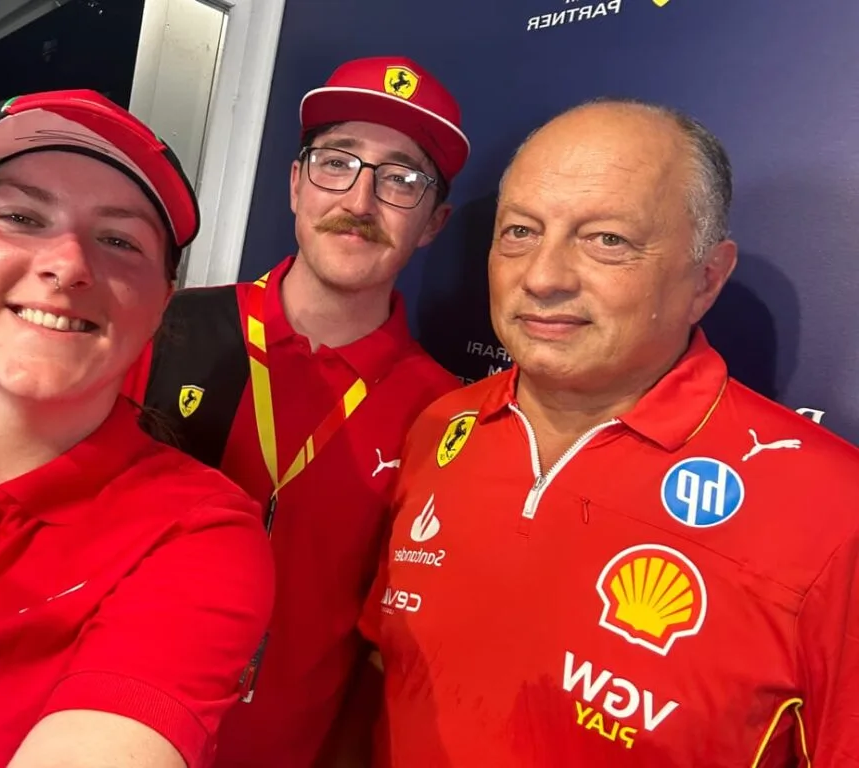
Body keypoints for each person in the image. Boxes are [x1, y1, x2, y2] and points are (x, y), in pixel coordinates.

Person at [360, 98, 859, 766]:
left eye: (607, 240)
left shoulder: (834, 511)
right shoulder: (439, 427)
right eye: (520, 231)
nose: (542, 277)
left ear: (706, 279)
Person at [0, 89, 274, 767]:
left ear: (162, 302)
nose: (68, 265)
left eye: (118, 240)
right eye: (21, 216)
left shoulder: (193, 535)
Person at [122, 56, 469, 767]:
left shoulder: (444, 414)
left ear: (434, 222)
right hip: (116, 733)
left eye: (401, 179)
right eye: (337, 162)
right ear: (294, 184)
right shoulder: (166, 328)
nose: (361, 200)